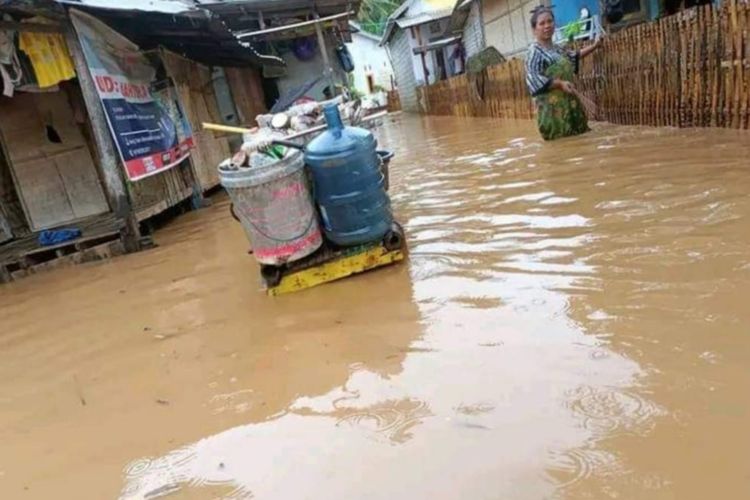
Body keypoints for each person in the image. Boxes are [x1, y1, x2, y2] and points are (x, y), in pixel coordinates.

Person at [525, 6, 602, 140]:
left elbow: (573, 57)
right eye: (542, 23)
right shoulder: (534, 52)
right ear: (534, 29)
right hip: (552, 112)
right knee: (560, 146)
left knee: (580, 142)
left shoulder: (557, 49)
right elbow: (533, 79)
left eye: (550, 21)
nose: (547, 26)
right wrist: (559, 84)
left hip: (570, 106)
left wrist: (594, 46)